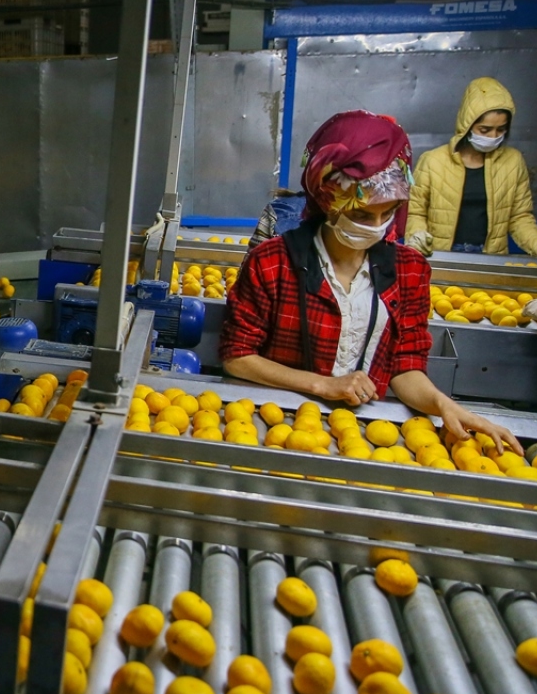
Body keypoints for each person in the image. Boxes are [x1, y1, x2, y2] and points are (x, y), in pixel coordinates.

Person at [221, 110, 521, 454]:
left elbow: (405, 367)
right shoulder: (275, 262)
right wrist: (323, 385)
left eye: (388, 211)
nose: (376, 225)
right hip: (273, 428)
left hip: (362, 437)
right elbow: (237, 355)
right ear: (327, 201)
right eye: (362, 214)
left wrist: (443, 405)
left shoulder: (409, 270)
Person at [407, 77, 537, 257]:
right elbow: (415, 212)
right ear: (467, 125)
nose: (493, 136)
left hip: (492, 257)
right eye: (484, 130)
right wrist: (417, 237)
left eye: (501, 129)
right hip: (441, 255)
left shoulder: (513, 161)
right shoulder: (433, 161)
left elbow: (519, 217)